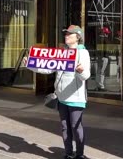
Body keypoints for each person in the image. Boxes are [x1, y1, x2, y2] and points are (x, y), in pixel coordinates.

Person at [26, 25, 91, 159]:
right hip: (61, 98)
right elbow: (48, 69)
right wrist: (31, 65)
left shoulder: (83, 53)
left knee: (75, 127)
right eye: (66, 34)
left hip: (76, 98)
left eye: (69, 34)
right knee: (65, 128)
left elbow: (86, 76)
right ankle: (68, 153)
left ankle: (80, 154)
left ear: (77, 37)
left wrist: (80, 71)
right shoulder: (62, 52)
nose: (66, 36)